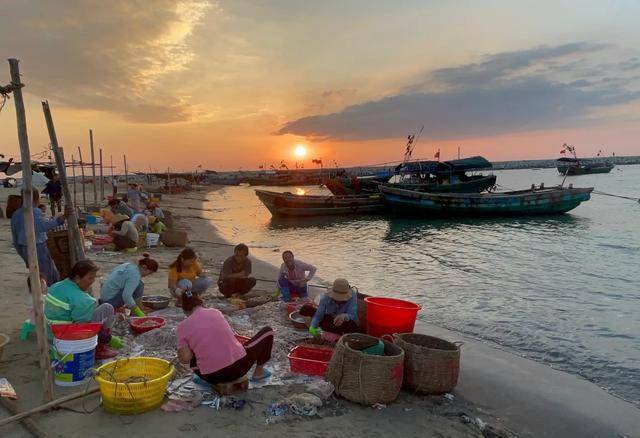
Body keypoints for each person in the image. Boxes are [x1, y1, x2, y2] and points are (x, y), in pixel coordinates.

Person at [177, 290, 273, 384]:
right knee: (268, 331)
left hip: (211, 376)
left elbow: (185, 359)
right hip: (239, 369)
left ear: (184, 308)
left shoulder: (182, 327)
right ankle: (259, 372)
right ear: (200, 302)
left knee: (192, 349)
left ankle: (204, 375)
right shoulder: (215, 312)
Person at [45, 260, 123, 359]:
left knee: (104, 307)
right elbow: (86, 328)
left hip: (50, 334)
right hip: (66, 339)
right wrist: (108, 338)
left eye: (94, 278)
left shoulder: (56, 286)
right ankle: (99, 348)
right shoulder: (83, 299)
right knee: (107, 308)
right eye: (90, 278)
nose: (92, 281)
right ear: (77, 278)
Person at [11, 189, 66, 286]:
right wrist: (58, 221)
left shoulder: (16, 214)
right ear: (36, 199)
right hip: (37, 246)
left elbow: (15, 238)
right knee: (46, 274)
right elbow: (42, 226)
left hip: (23, 246)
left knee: (42, 272)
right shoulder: (34, 211)